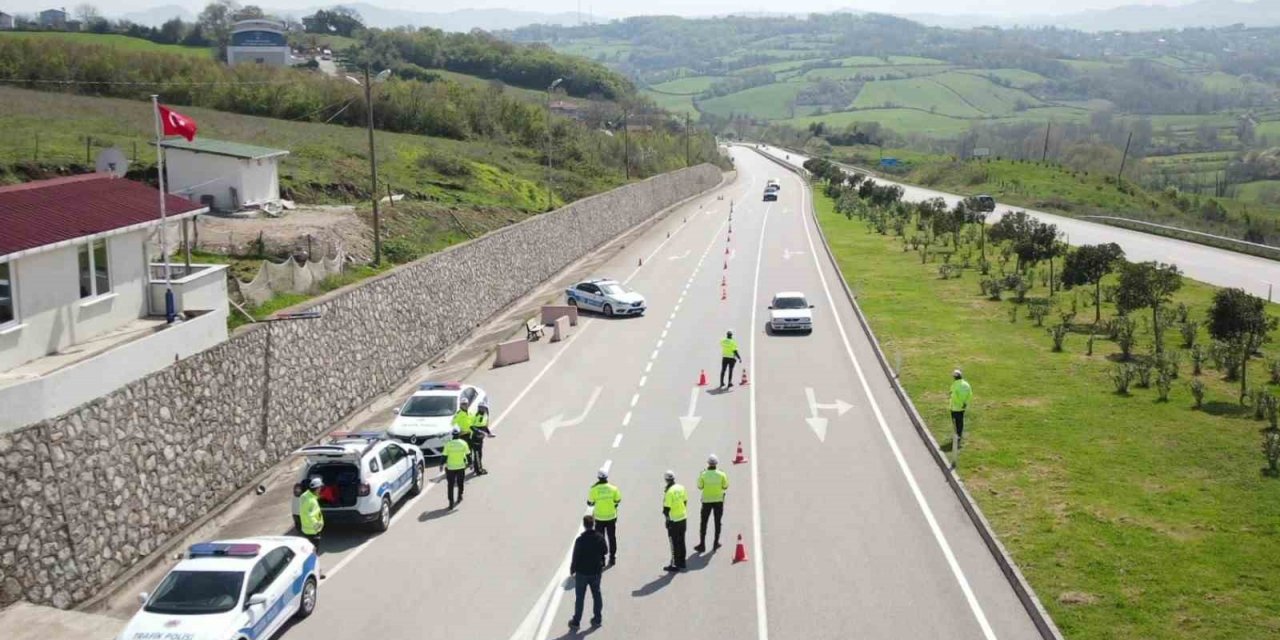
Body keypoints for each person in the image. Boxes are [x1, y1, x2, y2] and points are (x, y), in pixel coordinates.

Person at [569, 515, 607, 630]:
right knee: (597, 594)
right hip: (596, 571)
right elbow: (605, 551)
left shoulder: (580, 540)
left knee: (580, 597)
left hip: (582, 573)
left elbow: (575, 556)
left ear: (584, 525)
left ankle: (576, 621)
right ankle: (597, 618)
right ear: (593, 524)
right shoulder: (600, 537)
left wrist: (572, 570)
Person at [587, 469, 622, 566]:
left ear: (598, 477)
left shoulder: (594, 489)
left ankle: (601, 559)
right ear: (607, 477)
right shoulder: (613, 488)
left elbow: (590, 503)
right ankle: (612, 558)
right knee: (612, 538)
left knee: (599, 539)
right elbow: (618, 500)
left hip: (599, 518)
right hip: (611, 517)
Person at [694, 455, 729, 553]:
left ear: (708, 463)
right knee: (717, 523)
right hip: (718, 501)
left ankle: (702, 544)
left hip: (706, 502)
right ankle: (715, 543)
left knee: (704, 523)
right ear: (716, 463)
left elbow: (700, 486)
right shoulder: (722, 474)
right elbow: (725, 486)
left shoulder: (703, 474)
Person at [298, 476, 326, 579]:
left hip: (305, 529)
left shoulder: (304, 496)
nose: (321, 490)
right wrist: (317, 525)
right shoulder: (312, 501)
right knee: (314, 553)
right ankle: (317, 572)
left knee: (308, 552)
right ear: (317, 488)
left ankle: (310, 571)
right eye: (320, 488)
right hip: (313, 531)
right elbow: (310, 515)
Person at [662, 471, 688, 572]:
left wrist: (667, 521)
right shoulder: (681, 487)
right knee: (682, 541)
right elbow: (685, 501)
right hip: (683, 518)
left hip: (674, 520)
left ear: (666, 480)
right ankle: (682, 562)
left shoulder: (669, 492)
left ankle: (674, 564)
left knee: (673, 543)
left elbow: (666, 510)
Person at [440, 427, 471, 509]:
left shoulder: (448, 444)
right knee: (460, 483)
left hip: (450, 468)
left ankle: (451, 502)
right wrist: (470, 464)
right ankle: (460, 496)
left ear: (452, 435)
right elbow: (468, 455)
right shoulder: (463, 443)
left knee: (450, 485)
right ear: (459, 434)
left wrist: (441, 465)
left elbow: (444, 456)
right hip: (461, 467)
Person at [949, 369, 973, 450]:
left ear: (954, 377)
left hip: (955, 408)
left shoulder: (954, 385)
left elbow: (954, 397)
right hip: (963, 408)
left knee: (955, 422)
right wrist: (965, 403)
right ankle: (959, 435)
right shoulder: (966, 384)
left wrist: (960, 404)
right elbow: (970, 394)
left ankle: (956, 436)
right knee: (961, 421)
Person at [470, 405, 494, 475]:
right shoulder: (475, 415)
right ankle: (479, 470)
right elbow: (471, 426)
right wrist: (479, 432)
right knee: (477, 454)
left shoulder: (485, 415)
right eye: (482, 408)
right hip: (475, 438)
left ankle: (477, 467)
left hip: (480, 438)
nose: (484, 409)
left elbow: (484, 426)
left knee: (479, 454)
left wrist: (489, 433)